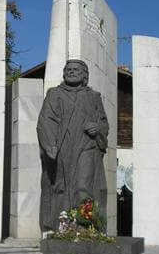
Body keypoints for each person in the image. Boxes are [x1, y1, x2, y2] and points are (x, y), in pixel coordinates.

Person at [37, 59, 109, 235]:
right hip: (63, 148)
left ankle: (86, 225)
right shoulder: (54, 94)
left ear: (84, 75)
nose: (71, 71)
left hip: (87, 147)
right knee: (60, 187)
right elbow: (45, 121)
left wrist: (97, 128)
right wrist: (50, 145)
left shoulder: (94, 97)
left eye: (76, 69)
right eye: (68, 69)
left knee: (83, 185)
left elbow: (104, 123)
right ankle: (61, 225)